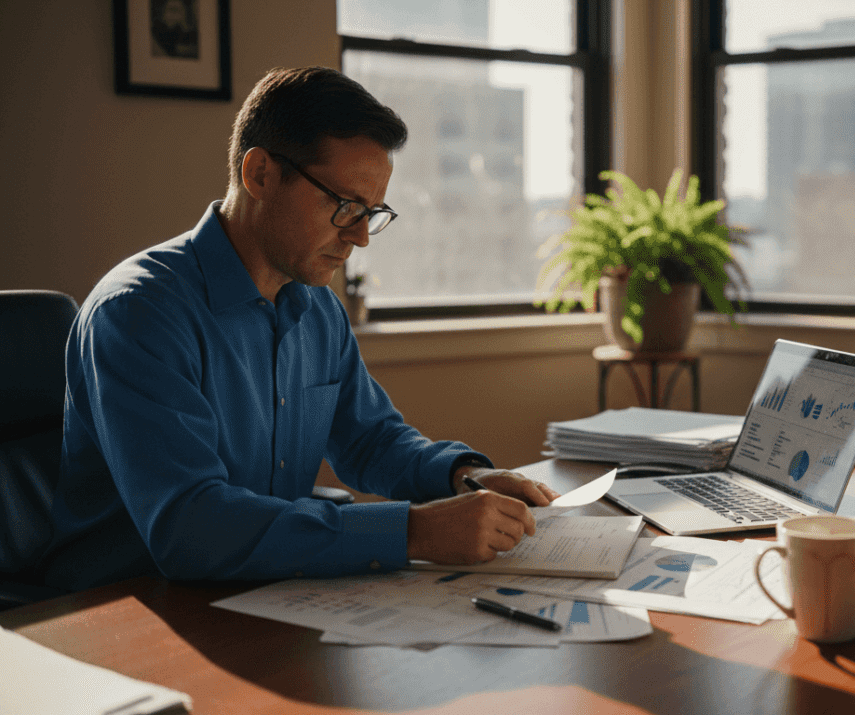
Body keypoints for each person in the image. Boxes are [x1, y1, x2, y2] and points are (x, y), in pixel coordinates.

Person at [44, 66, 558, 592]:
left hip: (261, 595)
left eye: (372, 212)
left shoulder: (317, 307)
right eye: (344, 206)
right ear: (260, 174)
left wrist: (463, 476)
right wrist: (414, 531)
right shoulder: (139, 313)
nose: (360, 237)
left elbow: (372, 440)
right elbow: (189, 526)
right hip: (125, 608)